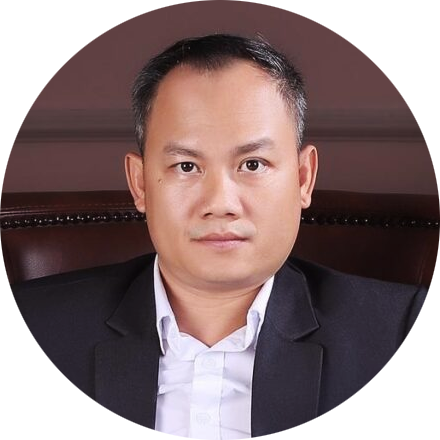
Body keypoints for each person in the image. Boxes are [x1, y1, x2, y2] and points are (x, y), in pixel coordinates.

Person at [1, 34, 439, 440]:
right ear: (140, 184)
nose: (220, 203)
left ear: (304, 178)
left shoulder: (403, 339)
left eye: (252, 165)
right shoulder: (25, 335)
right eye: (187, 166)